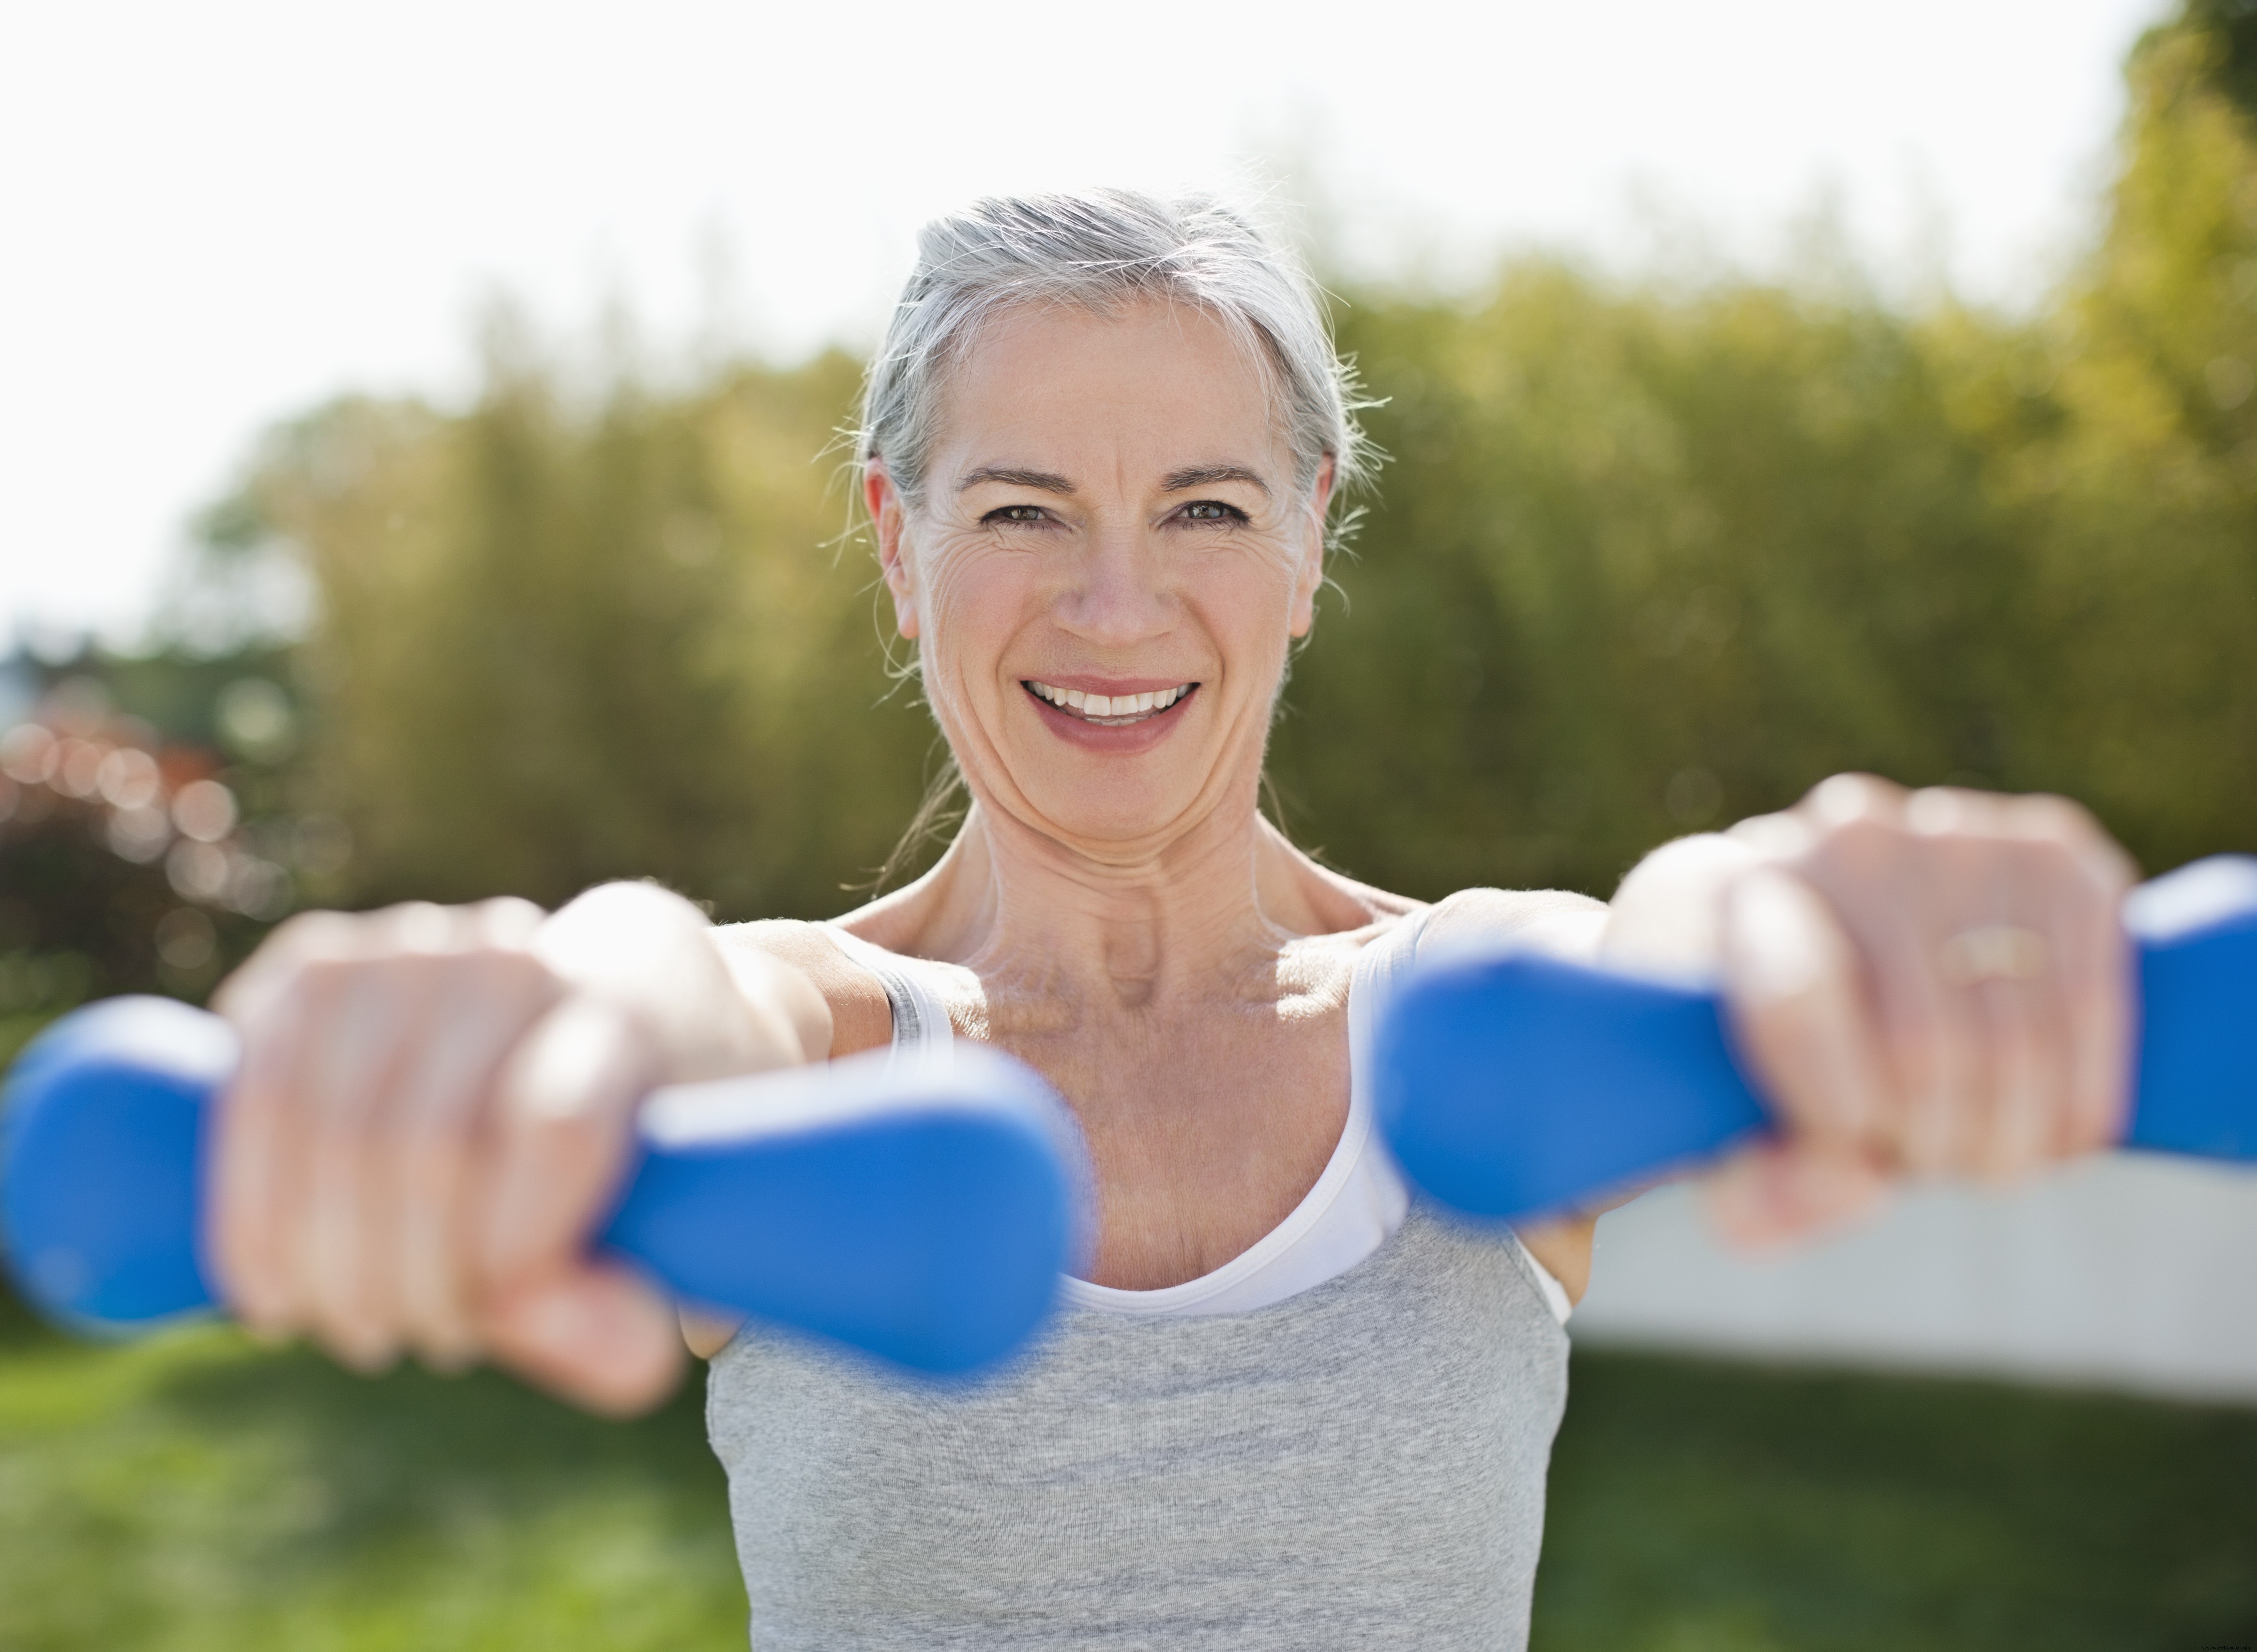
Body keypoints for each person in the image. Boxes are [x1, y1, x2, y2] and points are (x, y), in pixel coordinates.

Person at [207, 191, 2138, 1649]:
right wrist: (552, 995)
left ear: (1310, 542)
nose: (1118, 608)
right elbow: (663, 985)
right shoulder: (818, 1040)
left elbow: (1675, 937)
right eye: (1025, 509)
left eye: (1206, 509)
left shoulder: (1460, 1008)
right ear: (901, 544)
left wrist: (1805, 894)